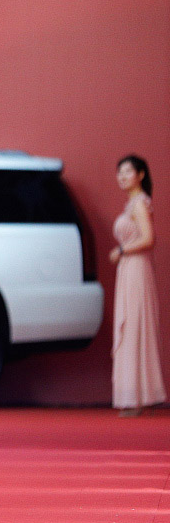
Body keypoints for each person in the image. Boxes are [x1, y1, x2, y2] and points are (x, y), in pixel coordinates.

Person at [109, 155, 165, 416]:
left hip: (136, 268)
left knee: (134, 326)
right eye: (119, 172)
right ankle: (134, 395)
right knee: (131, 326)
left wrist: (122, 250)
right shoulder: (132, 203)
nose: (122, 176)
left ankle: (137, 396)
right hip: (130, 269)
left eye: (128, 171)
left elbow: (149, 238)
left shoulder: (140, 202)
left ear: (141, 175)